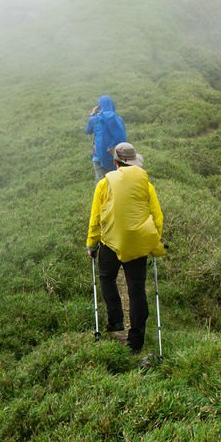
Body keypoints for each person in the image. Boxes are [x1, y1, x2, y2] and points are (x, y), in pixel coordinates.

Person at [86, 142, 165, 353]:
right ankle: (136, 342)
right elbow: (157, 217)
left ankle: (116, 320)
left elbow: (96, 218)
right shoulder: (146, 185)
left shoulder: (104, 184)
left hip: (110, 242)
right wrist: (154, 242)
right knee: (136, 290)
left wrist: (92, 244)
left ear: (115, 162)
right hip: (138, 244)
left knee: (106, 278)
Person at [85, 95, 127, 182]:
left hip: (99, 155)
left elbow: (88, 130)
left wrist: (93, 113)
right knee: (118, 181)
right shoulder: (119, 119)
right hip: (118, 155)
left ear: (100, 106)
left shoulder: (94, 119)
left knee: (101, 182)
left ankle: (102, 196)